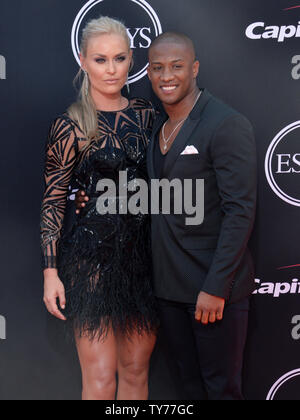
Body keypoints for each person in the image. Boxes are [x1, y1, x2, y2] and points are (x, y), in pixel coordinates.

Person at [76, 32, 257, 400]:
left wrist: (215, 286)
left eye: (176, 67)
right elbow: (149, 196)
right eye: (157, 68)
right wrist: (91, 200)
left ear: (195, 68)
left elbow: (241, 211)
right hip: (169, 293)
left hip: (211, 292)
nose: (166, 76)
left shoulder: (225, 124)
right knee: (188, 389)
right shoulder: (157, 127)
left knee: (222, 391)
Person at [40, 16, 159, 401]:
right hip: (91, 263)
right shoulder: (70, 124)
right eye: (100, 59)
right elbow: (54, 199)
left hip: (143, 260)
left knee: (136, 372)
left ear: (131, 59)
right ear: (82, 60)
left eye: (119, 58)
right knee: (101, 378)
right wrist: (50, 271)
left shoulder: (147, 115)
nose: (111, 70)